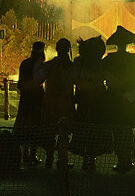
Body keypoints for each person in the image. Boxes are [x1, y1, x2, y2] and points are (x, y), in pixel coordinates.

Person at [102, 25, 135, 172]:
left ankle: (122, 159)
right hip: (131, 100)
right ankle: (127, 159)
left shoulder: (109, 59)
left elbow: (104, 76)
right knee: (129, 130)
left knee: (118, 131)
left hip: (114, 100)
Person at [70, 36, 110, 171]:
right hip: (95, 99)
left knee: (87, 129)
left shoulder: (81, 62)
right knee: (92, 129)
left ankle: (88, 158)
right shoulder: (97, 63)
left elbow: (75, 79)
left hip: (87, 99)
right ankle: (90, 159)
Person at [36, 38, 77, 169]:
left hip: (51, 103)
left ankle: (49, 158)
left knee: (50, 132)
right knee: (63, 133)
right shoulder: (72, 66)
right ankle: (62, 160)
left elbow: (38, 79)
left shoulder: (50, 65)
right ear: (68, 49)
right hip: (65, 103)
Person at [14, 41, 46, 165]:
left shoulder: (24, 63)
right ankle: (32, 154)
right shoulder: (40, 65)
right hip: (36, 98)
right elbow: (39, 81)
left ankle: (24, 154)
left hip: (25, 98)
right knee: (35, 124)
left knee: (24, 124)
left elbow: (20, 82)